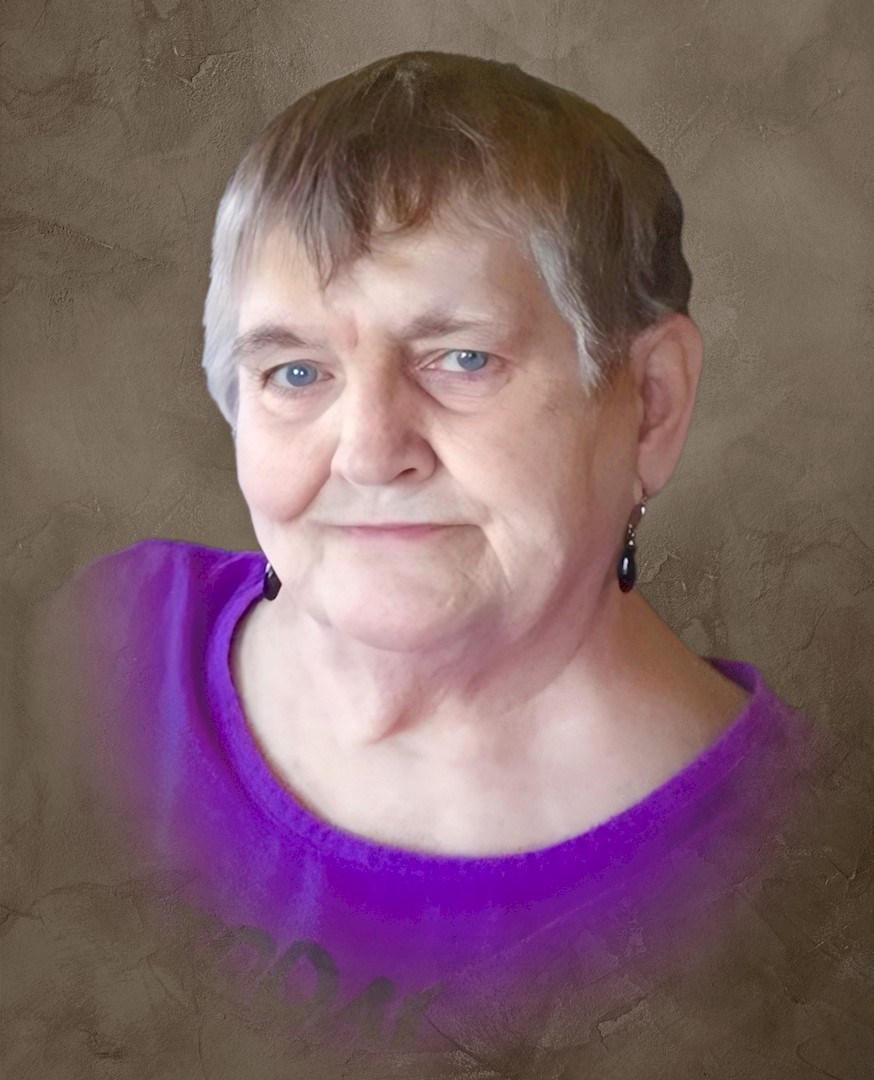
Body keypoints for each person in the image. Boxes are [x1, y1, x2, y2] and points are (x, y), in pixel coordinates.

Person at [29, 50, 819, 1062]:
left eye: (461, 358)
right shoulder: (99, 651)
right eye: (295, 372)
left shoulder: (803, 867)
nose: (368, 451)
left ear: (650, 404)